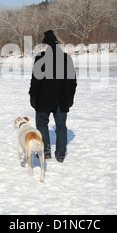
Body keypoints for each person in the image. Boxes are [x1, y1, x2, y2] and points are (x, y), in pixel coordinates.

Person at [29, 30, 77, 163]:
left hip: (43, 100)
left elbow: (35, 82)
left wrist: (32, 98)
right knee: (61, 126)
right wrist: (70, 98)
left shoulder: (40, 58)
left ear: (46, 46)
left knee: (42, 124)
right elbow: (73, 82)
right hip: (62, 100)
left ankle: (45, 151)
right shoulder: (67, 58)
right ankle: (60, 154)